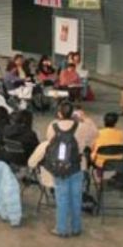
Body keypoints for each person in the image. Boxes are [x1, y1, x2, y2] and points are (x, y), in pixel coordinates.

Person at [40, 101, 84, 238]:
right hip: (76, 166)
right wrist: (83, 119)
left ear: (59, 113)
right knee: (76, 197)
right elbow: (93, 137)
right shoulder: (80, 127)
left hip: (59, 167)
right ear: (72, 113)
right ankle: (76, 227)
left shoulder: (52, 127)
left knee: (62, 198)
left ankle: (61, 228)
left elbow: (49, 142)